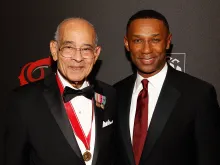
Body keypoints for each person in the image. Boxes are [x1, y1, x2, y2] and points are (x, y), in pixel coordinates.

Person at [4, 18, 116, 165]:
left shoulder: (110, 94)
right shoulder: (23, 102)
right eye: (69, 47)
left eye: (86, 49)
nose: (77, 58)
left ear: (96, 54)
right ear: (54, 50)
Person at [114, 9, 220, 165]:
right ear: (127, 43)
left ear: (168, 41)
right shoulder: (115, 93)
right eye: (138, 40)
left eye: (155, 40)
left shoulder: (199, 94)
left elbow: (210, 158)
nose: (146, 49)